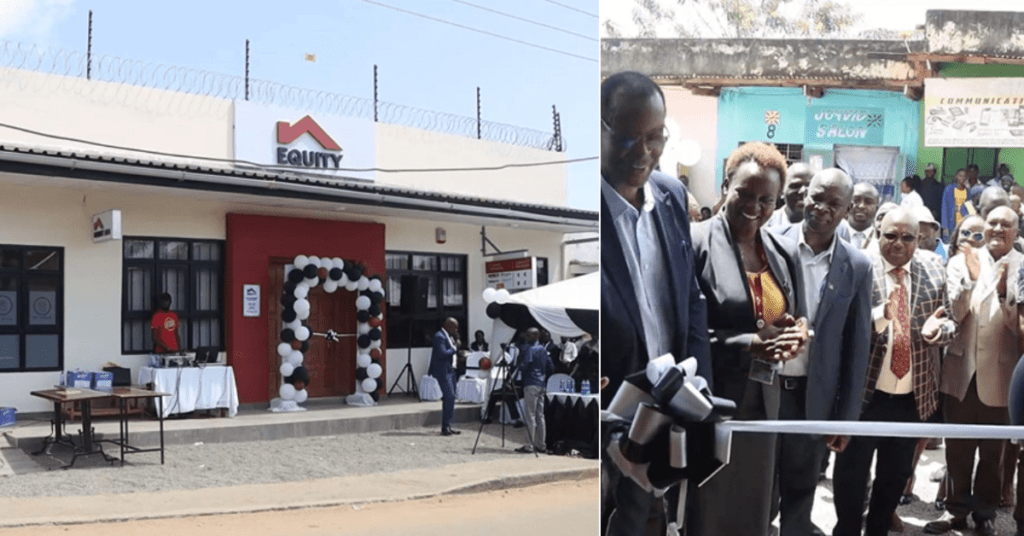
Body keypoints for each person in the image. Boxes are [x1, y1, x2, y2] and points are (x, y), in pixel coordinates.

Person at [599, 71, 711, 536]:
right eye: (627, 137)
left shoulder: (670, 196)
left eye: (655, 137)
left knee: (651, 521)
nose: (643, 152)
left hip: (667, 411)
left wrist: (697, 389)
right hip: (608, 421)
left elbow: (691, 299)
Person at [690, 141, 811, 536]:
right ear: (726, 185)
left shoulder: (781, 250)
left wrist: (795, 334)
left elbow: (795, 315)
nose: (756, 206)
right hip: (714, 401)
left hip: (766, 400)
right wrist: (751, 342)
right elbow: (683, 335)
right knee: (710, 508)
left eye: (767, 199)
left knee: (755, 508)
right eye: (745, 192)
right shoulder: (694, 243)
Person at [831, 208, 957, 536]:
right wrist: (881, 315)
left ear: (920, 239)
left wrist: (938, 332)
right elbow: (840, 328)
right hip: (863, 397)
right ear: (877, 232)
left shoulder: (933, 268)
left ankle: (878, 529)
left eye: (908, 237)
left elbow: (951, 321)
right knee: (851, 477)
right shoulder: (858, 267)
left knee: (894, 478)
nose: (898, 244)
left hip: (910, 400)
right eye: (890, 235)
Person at [772, 168, 873, 536]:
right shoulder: (769, 243)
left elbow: (857, 347)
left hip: (812, 400)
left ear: (846, 211)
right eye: (816, 197)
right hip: (764, 395)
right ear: (802, 195)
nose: (822, 208)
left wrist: (844, 419)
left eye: (834, 203)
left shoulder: (858, 266)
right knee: (757, 493)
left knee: (800, 496)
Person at [926, 206, 1022, 535]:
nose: (996, 228)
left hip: (1003, 376)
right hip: (961, 373)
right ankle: (955, 512)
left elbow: (1017, 327)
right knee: (957, 450)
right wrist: (970, 278)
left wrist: (1000, 289)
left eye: (1005, 224)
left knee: (993, 453)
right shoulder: (959, 261)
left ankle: (985, 515)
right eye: (991, 222)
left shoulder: (1023, 268)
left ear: (1016, 231)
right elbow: (956, 312)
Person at [515, 328, 554, 454]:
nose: (526, 337)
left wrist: (519, 365)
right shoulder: (543, 349)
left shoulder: (530, 349)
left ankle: (528, 445)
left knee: (530, 415)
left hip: (531, 382)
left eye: (528, 334)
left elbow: (524, 366)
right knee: (540, 415)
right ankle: (541, 444)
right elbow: (551, 366)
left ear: (535, 335)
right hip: (541, 383)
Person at [428, 317, 461, 436]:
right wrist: (455, 348)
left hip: (451, 371)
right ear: (448, 325)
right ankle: (445, 427)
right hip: (443, 372)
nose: (456, 330)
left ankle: (447, 425)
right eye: (455, 327)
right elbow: (442, 353)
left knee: (450, 399)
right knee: (450, 396)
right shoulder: (439, 336)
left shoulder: (449, 336)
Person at [766, 162, 814, 229]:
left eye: (809, 186)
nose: (803, 191)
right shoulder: (765, 224)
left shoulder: (827, 228)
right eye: (796, 185)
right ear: (781, 191)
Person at [848, 182, 880, 250]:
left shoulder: (882, 240)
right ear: (847, 204)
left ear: (876, 209)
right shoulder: (834, 236)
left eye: (868, 202)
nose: (861, 206)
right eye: (856, 201)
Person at [942, 168, 971, 239]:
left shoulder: (967, 191)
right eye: (960, 176)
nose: (963, 178)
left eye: (964, 176)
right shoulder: (949, 189)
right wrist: (945, 227)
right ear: (956, 176)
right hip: (951, 222)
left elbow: (970, 208)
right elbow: (944, 208)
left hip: (964, 223)